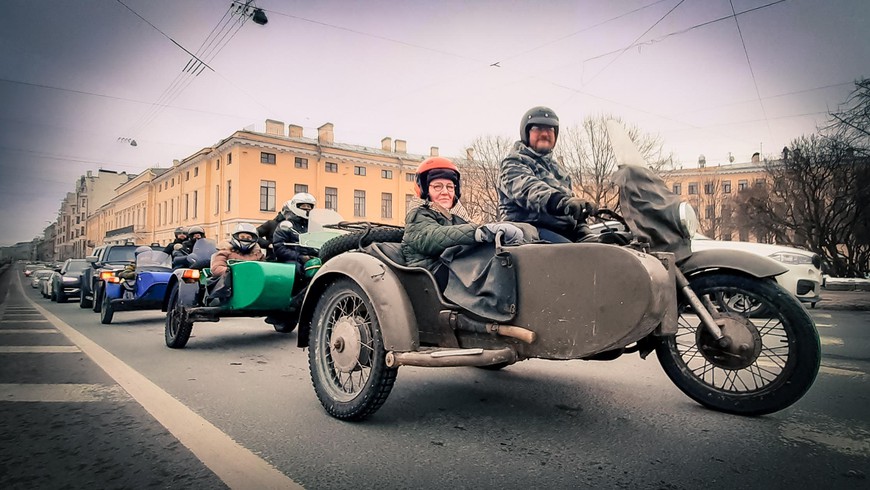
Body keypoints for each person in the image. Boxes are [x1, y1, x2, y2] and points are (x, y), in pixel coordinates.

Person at [402, 157, 527, 288]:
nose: (445, 192)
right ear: (425, 190)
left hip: (455, 268)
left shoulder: (456, 217)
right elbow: (432, 237)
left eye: (450, 187)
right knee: (496, 276)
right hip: (431, 277)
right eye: (438, 186)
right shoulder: (417, 215)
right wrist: (480, 232)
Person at [497, 106, 598, 243]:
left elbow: (571, 211)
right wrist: (563, 202)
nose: (545, 134)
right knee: (578, 258)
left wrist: (583, 230)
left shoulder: (559, 171)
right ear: (526, 133)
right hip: (529, 235)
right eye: (538, 128)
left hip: (561, 234)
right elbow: (530, 190)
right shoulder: (512, 163)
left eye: (550, 129)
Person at [207, 223, 264, 305]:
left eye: (248, 238)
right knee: (225, 276)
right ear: (235, 237)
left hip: (251, 285)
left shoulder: (258, 255)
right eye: (242, 237)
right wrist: (233, 272)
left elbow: (263, 270)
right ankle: (220, 300)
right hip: (231, 287)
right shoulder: (225, 251)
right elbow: (216, 268)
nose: (245, 239)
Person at [256, 192, 316, 261]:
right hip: (281, 260)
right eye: (287, 212)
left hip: (310, 260)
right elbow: (255, 235)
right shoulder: (274, 224)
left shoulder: (313, 226)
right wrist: (268, 244)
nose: (288, 214)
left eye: (309, 206)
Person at [273, 193, 317, 281]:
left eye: (309, 206)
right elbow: (279, 248)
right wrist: (300, 257)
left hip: (313, 258)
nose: (307, 208)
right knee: (296, 270)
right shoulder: (287, 225)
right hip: (292, 259)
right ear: (295, 206)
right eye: (303, 205)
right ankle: (298, 294)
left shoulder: (316, 226)